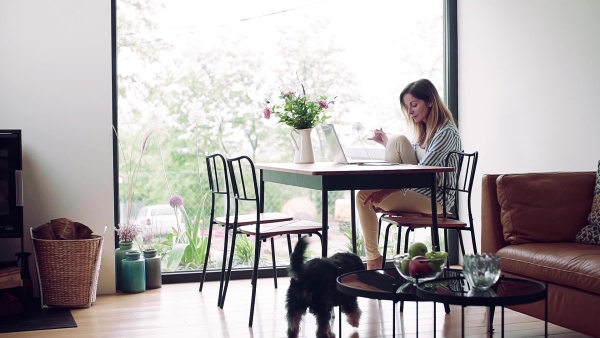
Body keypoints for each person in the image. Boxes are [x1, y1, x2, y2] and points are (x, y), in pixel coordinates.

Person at [357, 79, 462, 270]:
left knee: (363, 195)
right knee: (397, 140)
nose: (410, 111)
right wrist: (386, 142)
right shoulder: (426, 131)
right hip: (421, 191)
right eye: (407, 107)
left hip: (436, 199)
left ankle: (373, 260)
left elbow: (421, 172)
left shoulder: (445, 133)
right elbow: (410, 160)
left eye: (414, 104)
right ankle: (373, 257)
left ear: (430, 101)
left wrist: (388, 191)